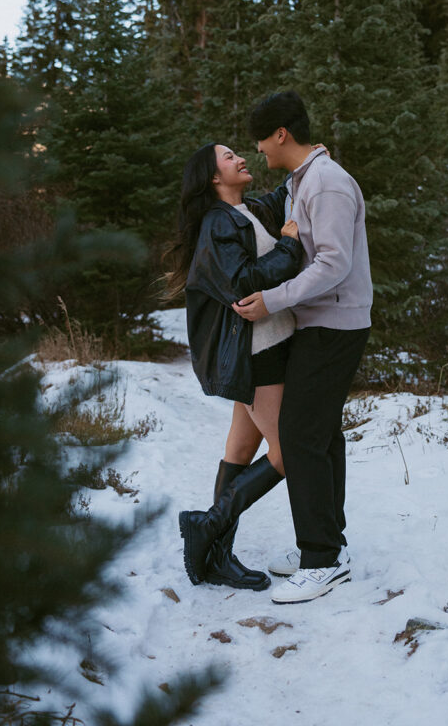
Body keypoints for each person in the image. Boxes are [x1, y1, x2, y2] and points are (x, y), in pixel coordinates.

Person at [233, 91, 373, 604]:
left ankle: (322, 559)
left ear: (281, 135)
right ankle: (326, 541)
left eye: (261, 144)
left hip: (335, 323)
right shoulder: (300, 182)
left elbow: (334, 263)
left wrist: (273, 299)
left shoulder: (328, 184)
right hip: (319, 321)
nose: (260, 154)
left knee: (299, 433)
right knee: (318, 431)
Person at [164, 142, 303, 592]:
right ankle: (207, 525)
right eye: (228, 157)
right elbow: (242, 282)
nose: (240, 157)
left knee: (239, 454)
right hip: (258, 354)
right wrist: (289, 247)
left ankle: (217, 556)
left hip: (264, 347)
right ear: (212, 177)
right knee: (287, 455)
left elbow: (280, 195)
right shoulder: (216, 223)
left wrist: (308, 161)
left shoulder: (244, 211)